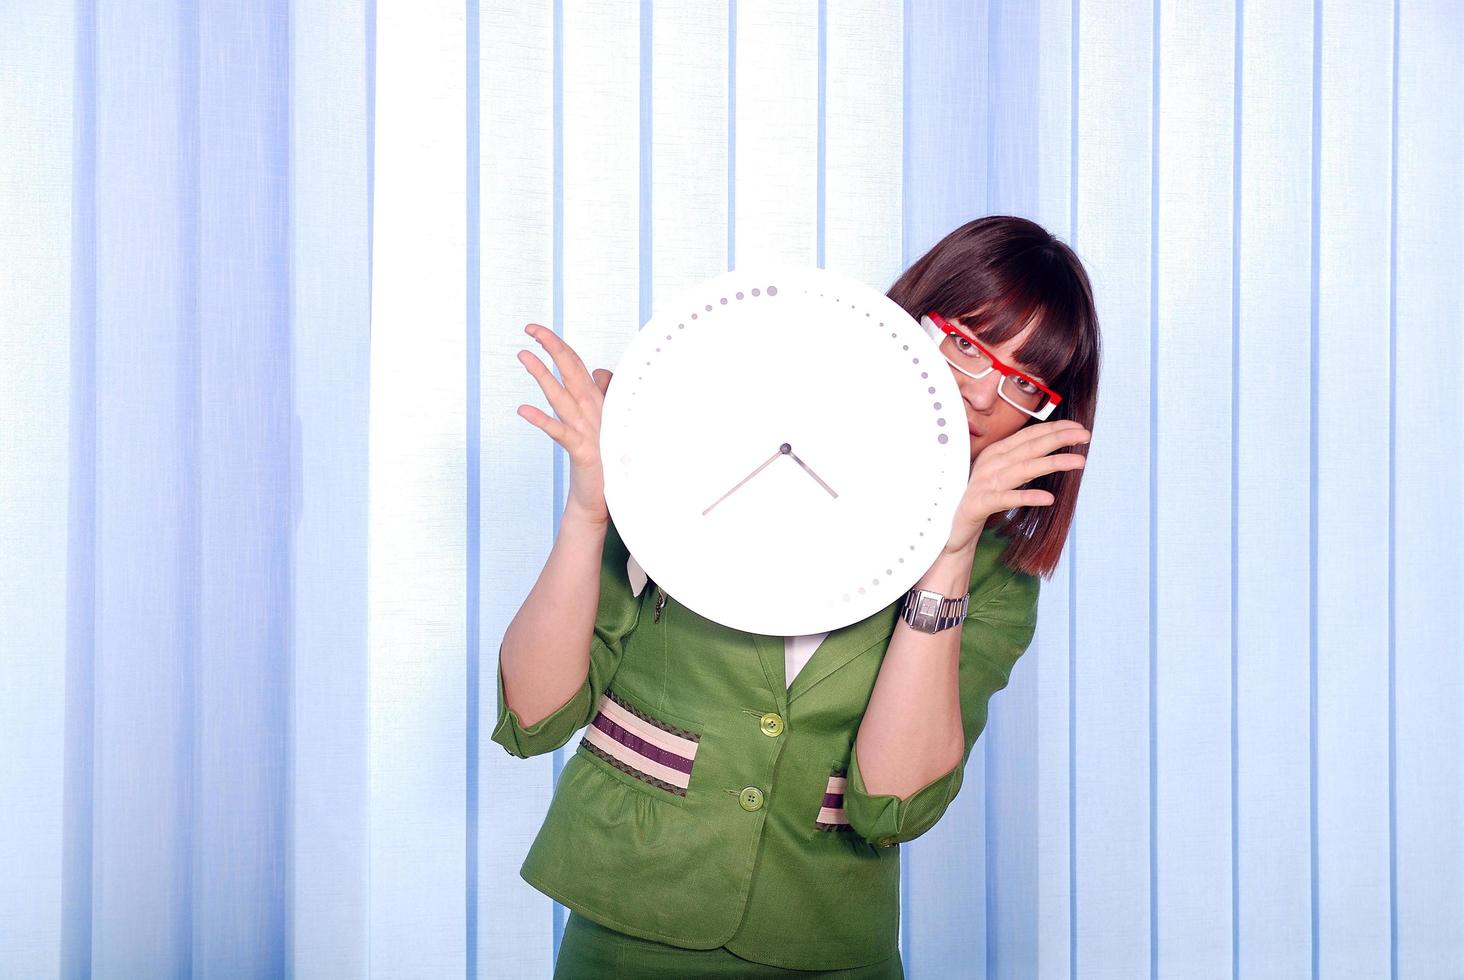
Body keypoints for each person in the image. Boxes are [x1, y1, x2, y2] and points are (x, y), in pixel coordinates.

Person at [496, 215, 1100, 977]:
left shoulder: (998, 574)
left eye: (1023, 381)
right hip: (630, 927)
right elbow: (533, 714)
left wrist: (948, 555)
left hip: (828, 945)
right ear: (907, 318)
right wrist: (590, 511)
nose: (981, 396)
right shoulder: (717, 439)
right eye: (965, 343)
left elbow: (892, 802)